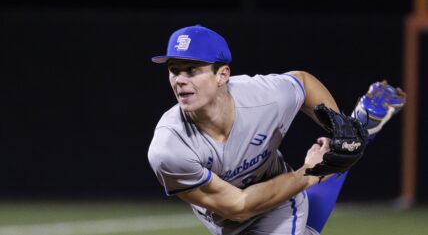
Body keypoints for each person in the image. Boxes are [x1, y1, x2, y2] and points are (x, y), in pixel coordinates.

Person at [147, 25, 405, 235]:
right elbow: (238, 207)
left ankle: (359, 128)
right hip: (227, 212)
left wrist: (341, 128)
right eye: (174, 70)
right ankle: (364, 126)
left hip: (278, 196)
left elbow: (302, 83)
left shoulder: (262, 97)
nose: (180, 80)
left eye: (191, 69)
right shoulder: (169, 148)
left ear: (222, 75)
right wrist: (312, 172)